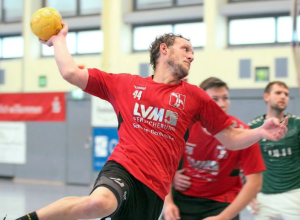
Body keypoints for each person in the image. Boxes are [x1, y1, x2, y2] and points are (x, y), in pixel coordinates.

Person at [16, 23, 288, 220]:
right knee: (97, 203)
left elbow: (230, 138)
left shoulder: (195, 96)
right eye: (185, 49)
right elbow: (71, 73)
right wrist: (59, 39)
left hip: (155, 191)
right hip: (123, 168)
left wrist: (261, 131)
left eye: (193, 52)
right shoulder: (124, 84)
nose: (191, 55)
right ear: (164, 50)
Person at [163, 77, 265, 220]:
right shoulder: (185, 126)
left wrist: (223, 217)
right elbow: (164, 165)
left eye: (225, 98)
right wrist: (168, 203)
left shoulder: (244, 133)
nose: (222, 104)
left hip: (222, 203)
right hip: (185, 199)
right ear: (201, 102)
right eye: (215, 99)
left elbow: (255, 183)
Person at [247, 81, 300, 220]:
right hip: (264, 197)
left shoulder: (297, 124)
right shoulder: (254, 126)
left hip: (295, 194)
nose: (283, 96)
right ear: (266, 96)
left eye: (286, 94)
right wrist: (247, 191)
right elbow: (244, 162)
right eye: (278, 93)